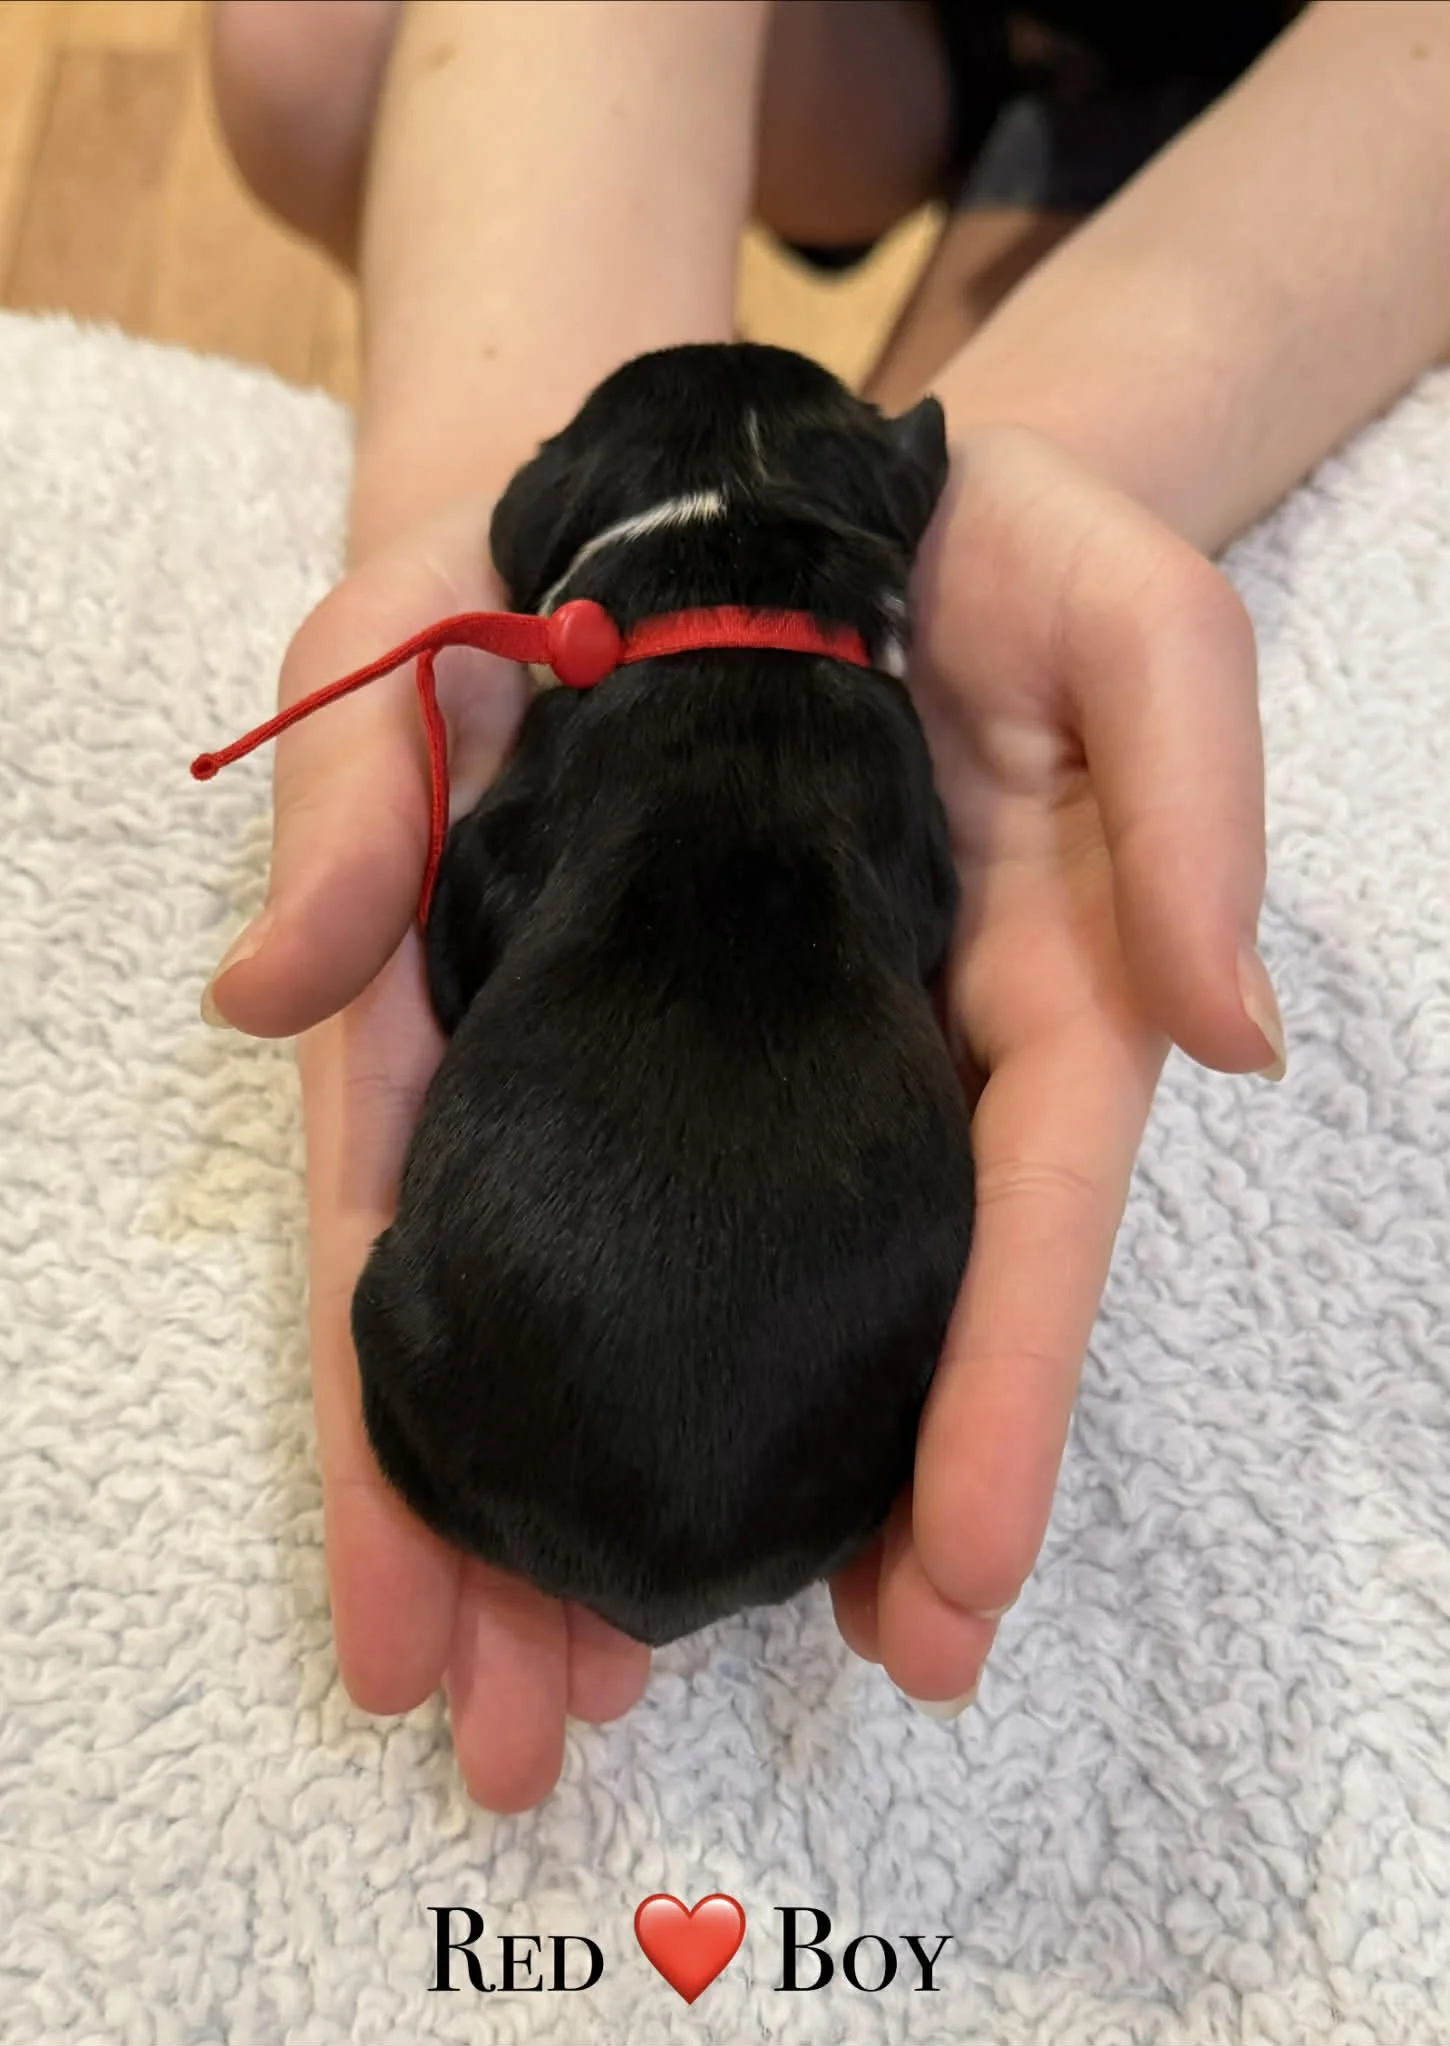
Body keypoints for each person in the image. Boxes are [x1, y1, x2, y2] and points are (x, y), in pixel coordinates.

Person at [202, 0, 1450, 1813]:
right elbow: (907, 887)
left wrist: (552, 560)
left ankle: (1049, 176)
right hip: (922, 43)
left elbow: (493, 901)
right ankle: (1013, 145)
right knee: (305, 46)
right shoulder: (875, 746)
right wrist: (479, 480)